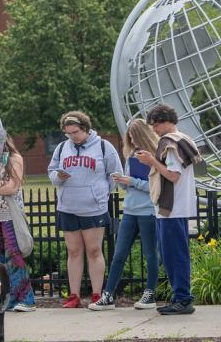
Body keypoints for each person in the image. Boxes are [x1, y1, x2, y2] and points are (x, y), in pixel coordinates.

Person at [48, 110, 122, 309]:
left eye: (76, 132)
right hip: (68, 206)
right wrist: (58, 177)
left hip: (94, 209)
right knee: (73, 251)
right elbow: (51, 171)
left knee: (94, 250)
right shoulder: (62, 148)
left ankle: (97, 294)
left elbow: (115, 174)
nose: (72, 137)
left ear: (86, 129)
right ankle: (74, 295)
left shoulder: (104, 147)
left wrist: (100, 194)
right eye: (68, 133)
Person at [90, 118, 159, 311]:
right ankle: (108, 295)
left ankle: (150, 293)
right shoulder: (131, 156)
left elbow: (154, 187)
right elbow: (129, 185)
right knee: (118, 254)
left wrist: (133, 182)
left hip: (148, 211)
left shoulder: (154, 156)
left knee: (150, 253)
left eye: (135, 138)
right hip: (129, 211)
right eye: (130, 139)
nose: (134, 143)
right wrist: (120, 180)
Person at [137, 104, 200, 316]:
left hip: (171, 208)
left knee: (174, 255)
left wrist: (151, 160)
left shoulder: (169, 142)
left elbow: (173, 175)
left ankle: (183, 299)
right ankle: (179, 297)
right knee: (173, 254)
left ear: (165, 121)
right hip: (177, 208)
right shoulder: (184, 138)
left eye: (155, 125)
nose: (153, 130)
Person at [0, 137, 36, 312]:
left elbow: (12, 187)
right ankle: (0, 298)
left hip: (10, 214)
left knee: (14, 255)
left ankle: (26, 299)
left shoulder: (14, 158)